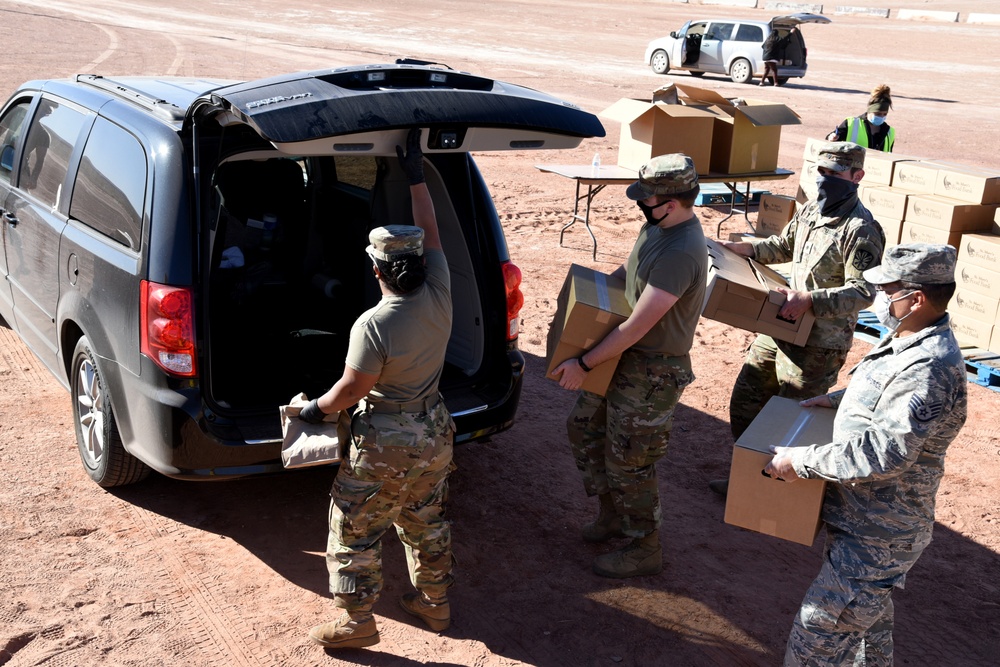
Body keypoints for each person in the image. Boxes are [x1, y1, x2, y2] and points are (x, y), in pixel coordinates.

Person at [765, 244, 967, 666]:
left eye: (887, 290)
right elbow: (885, 394)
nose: (879, 297)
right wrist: (839, 400)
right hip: (863, 522)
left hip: (878, 535)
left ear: (916, 298)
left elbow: (883, 455)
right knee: (865, 642)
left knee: (817, 637)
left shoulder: (928, 367)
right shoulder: (908, 338)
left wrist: (799, 462)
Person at [299, 128, 456, 649]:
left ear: (375, 269)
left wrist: (314, 410)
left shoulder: (373, 325)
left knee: (355, 530)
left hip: (386, 441)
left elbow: (351, 389)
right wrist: (416, 177)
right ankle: (434, 603)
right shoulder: (440, 290)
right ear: (421, 262)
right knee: (426, 519)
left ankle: (356, 623)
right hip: (434, 430)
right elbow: (432, 231)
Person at [551, 154, 707, 579]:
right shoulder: (658, 226)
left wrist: (584, 362)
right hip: (624, 356)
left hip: (652, 372)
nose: (641, 204)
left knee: (630, 459)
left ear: (671, 204)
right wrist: (590, 299)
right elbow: (629, 270)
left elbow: (637, 325)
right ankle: (614, 514)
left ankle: (645, 546)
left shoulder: (681, 252)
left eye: (648, 199)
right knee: (584, 427)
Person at [709, 142, 885, 496]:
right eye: (822, 172)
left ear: (857, 176)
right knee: (747, 401)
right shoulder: (810, 211)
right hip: (779, 326)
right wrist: (748, 249)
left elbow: (864, 291)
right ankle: (747, 479)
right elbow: (784, 245)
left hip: (818, 344)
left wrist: (812, 300)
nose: (825, 179)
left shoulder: (861, 229)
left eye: (835, 173)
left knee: (791, 421)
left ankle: (776, 499)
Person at [826, 84, 895, 152]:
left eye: (885, 114)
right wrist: (832, 137)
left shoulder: (890, 132)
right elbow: (831, 139)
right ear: (869, 111)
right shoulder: (851, 124)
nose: (881, 117)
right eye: (878, 114)